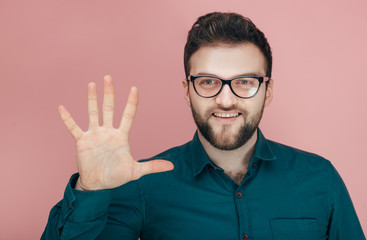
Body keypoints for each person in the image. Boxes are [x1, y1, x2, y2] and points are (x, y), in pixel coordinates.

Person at [41, 12, 365, 240]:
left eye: (245, 82)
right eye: (208, 82)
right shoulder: (143, 186)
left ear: (267, 92)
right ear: (187, 92)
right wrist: (90, 191)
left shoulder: (321, 179)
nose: (226, 100)